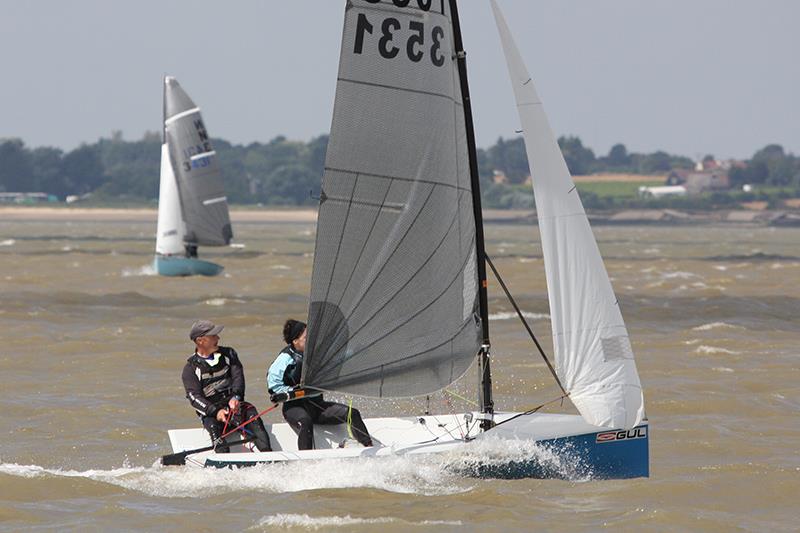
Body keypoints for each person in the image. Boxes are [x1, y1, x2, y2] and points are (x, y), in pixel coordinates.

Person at [267, 319, 373, 450]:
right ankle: (306, 461)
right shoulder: (285, 359)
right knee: (306, 421)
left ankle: (368, 447)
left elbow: (338, 358)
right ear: (295, 341)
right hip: (294, 407)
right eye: (306, 338)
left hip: (317, 407)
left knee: (352, 413)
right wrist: (290, 390)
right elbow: (273, 386)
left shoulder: (317, 354)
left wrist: (358, 350)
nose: (310, 340)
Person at [182, 319, 271, 453]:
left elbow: (238, 378)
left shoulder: (229, 354)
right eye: (213, 336)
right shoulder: (190, 368)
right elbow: (194, 398)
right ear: (200, 341)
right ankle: (224, 466)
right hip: (212, 414)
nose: (218, 338)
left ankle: (268, 456)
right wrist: (215, 412)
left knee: (253, 415)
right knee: (213, 427)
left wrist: (236, 397)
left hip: (234, 406)